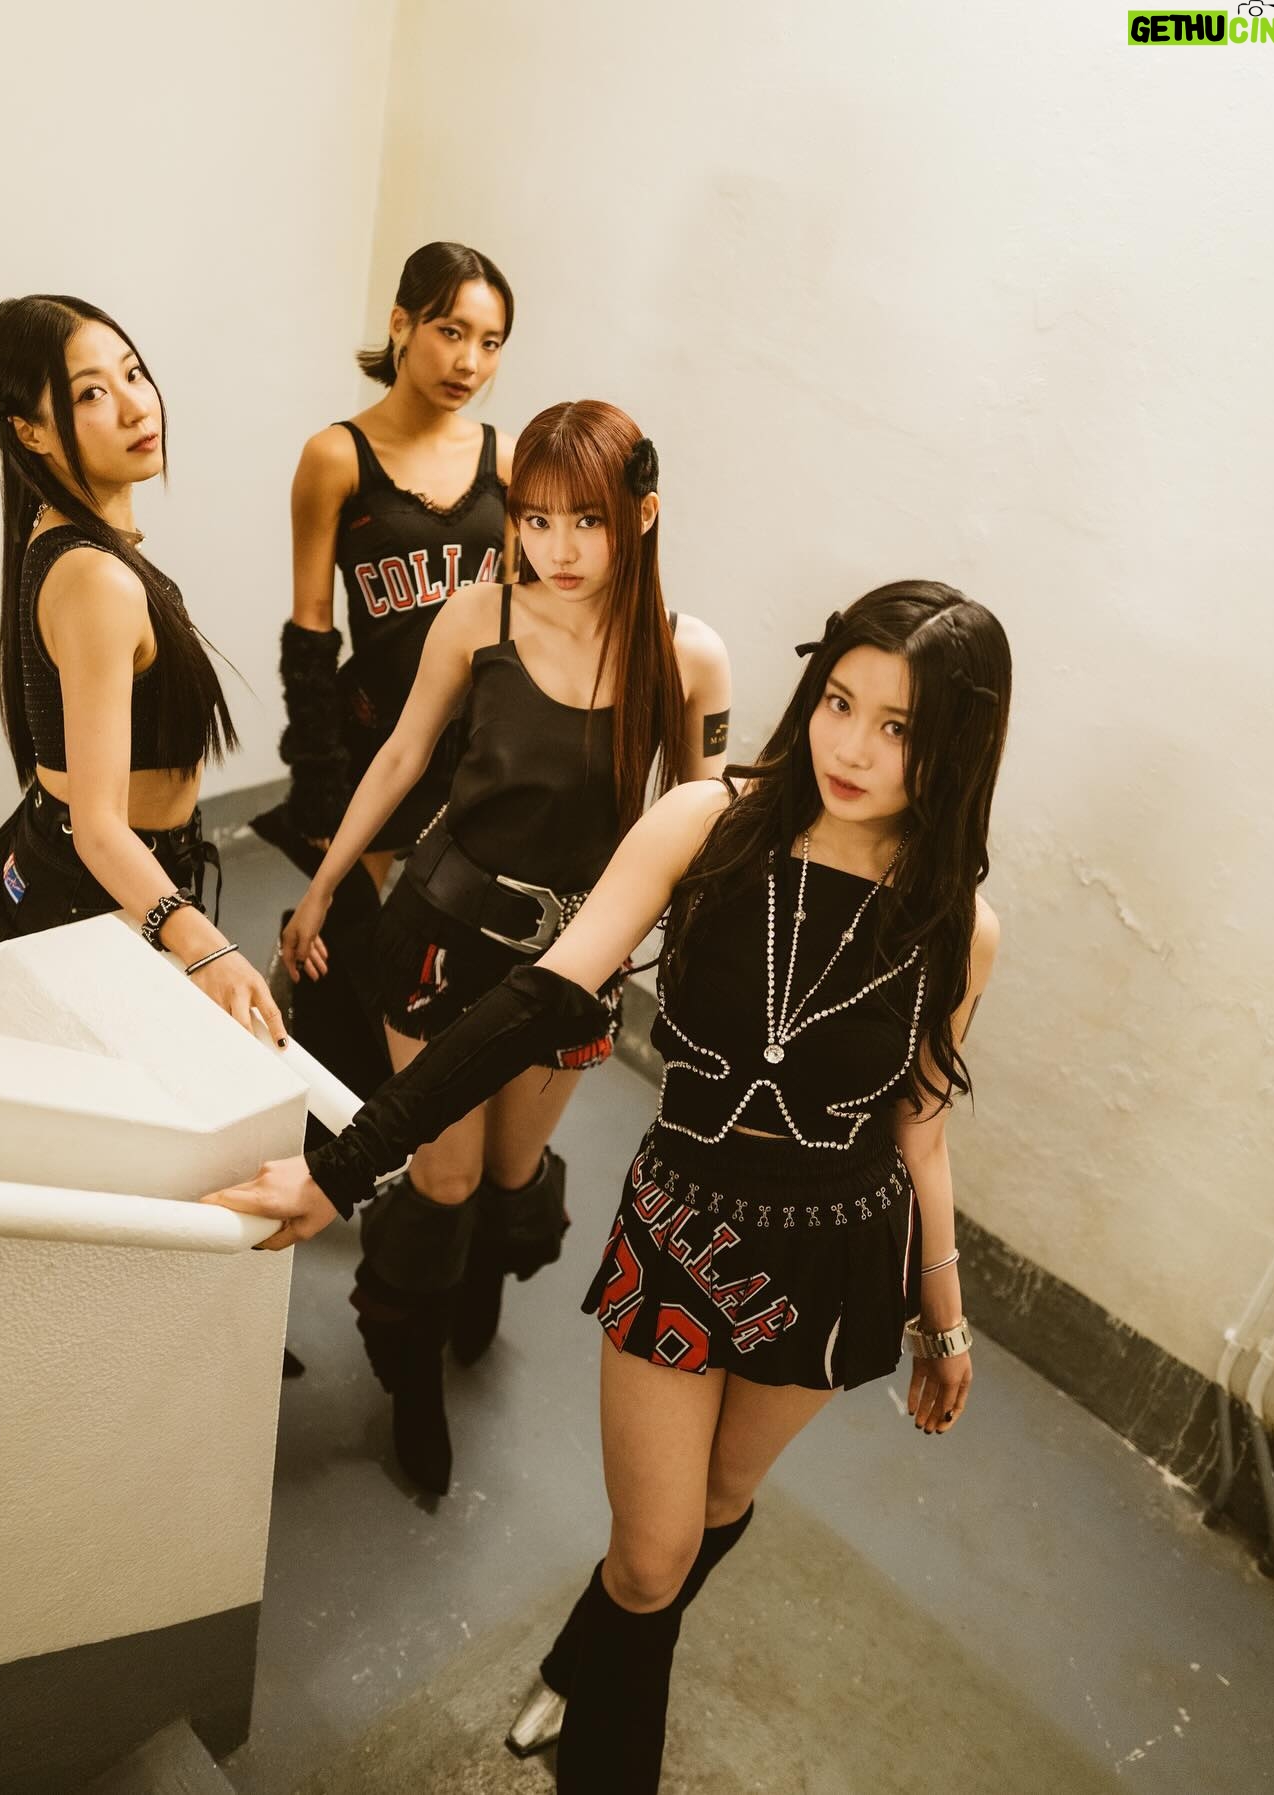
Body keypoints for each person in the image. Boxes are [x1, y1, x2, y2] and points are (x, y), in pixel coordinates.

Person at [205, 580, 1011, 1793]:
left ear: (957, 748)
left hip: (836, 1257)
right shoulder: (707, 823)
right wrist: (347, 1163)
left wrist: (943, 1320)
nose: (851, 747)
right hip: (685, 1229)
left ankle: (580, 1659)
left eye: (898, 727)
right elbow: (535, 997)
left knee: (714, 1509)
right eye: (840, 701)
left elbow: (921, 1136)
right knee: (652, 1557)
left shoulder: (960, 926)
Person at [275, 399, 732, 1494]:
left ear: (643, 516)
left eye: (587, 521)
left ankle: (476, 1279)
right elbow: (401, 756)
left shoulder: (688, 657)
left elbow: (702, 819)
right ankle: (412, 1374)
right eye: (534, 519)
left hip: (572, 968)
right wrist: (325, 884)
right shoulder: (478, 616)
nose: (556, 549)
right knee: (444, 1175)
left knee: (510, 1175)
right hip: (439, 934)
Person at [0, 295, 285, 1049]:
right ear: (30, 431)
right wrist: (205, 946)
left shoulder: (66, 536)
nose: (138, 406)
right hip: (91, 892)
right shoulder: (96, 577)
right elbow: (101, 827)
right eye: (90, 394)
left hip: (90, 869)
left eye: (133, 373)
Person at [251, 242, 516, 1102]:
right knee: (342, 936)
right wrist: (319, 786)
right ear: (401, 324)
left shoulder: (505, 460)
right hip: (375, 736)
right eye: (451, 331)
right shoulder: (337, 456)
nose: (469, 362)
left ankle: (413, 1114)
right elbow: (311, 630)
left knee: (445, 941)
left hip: (471, 744)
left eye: (491, 342)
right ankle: (316, 1107)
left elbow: (520, 621)